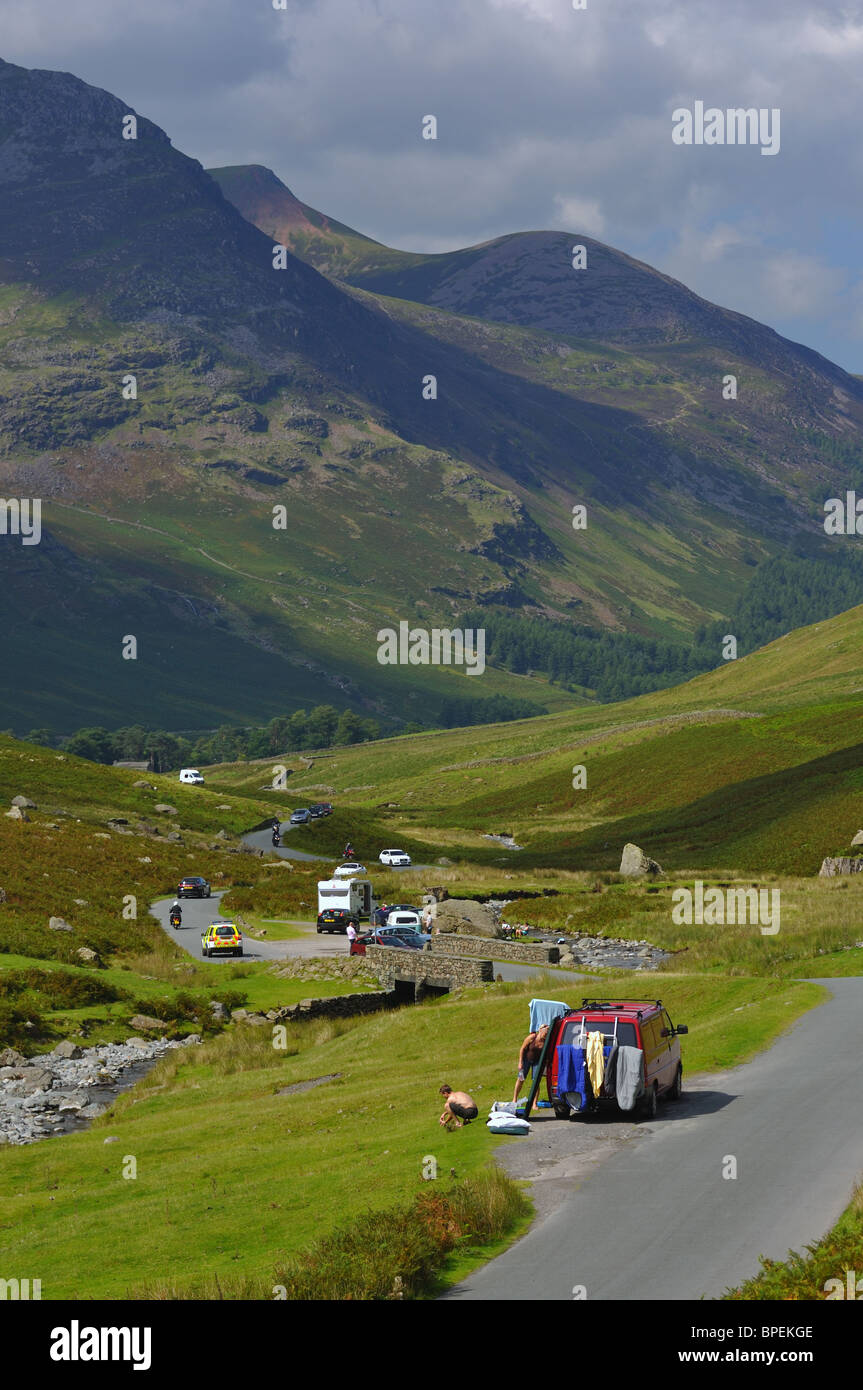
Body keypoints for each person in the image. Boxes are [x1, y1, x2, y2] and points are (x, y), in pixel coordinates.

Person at [513, 1023, 550, 1106]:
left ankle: (534, 1103)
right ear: (540, 1030)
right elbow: (522, 1048)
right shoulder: (532, 1037)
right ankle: (514, 1099)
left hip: (537, 1062)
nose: (545, 1035)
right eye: (545, 1033)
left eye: (547, 1034)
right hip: (526, 1060)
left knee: (536, 1081)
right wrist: (520, 1062)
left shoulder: (546, 1041)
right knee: (521, 1078)